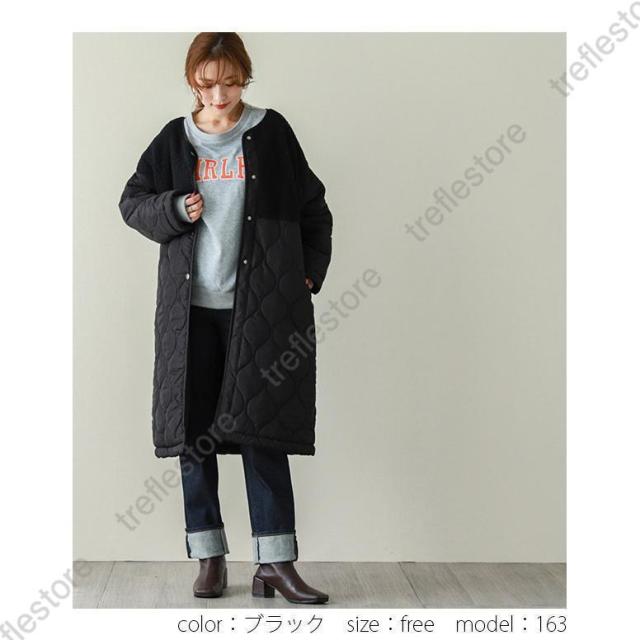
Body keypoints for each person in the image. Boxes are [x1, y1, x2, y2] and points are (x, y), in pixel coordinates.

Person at [118, 32, 332, 604]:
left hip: (259, 312)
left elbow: (313, 207)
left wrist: (309, 273)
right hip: (189, 315)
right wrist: (173, 207)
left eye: (231, 83)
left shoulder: (272, 133)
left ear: (245, 78)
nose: (220, 95)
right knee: (195, 438)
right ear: (193, 80)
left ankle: (275, 563)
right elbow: (132, 202)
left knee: (263, 433)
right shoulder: (173, 139)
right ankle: (209, 557)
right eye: (208, 84)